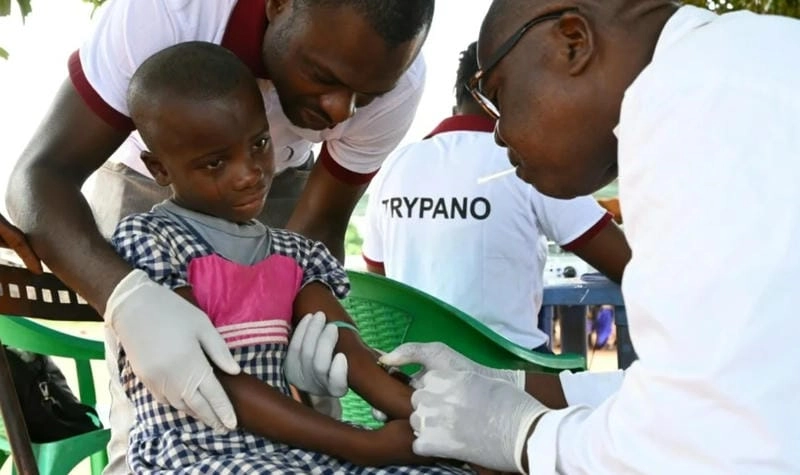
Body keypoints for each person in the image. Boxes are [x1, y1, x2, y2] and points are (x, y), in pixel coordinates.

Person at [4, 0, 432, 472]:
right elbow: (41, 176)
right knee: (143, 406)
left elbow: (320, 245)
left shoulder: (392, 74)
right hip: (144, 178)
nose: (340, 111)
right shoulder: (165, 13)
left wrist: (430, 414)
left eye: (365, 94)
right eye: (324, 76)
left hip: (285, 175)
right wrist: (127, 297)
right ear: (280, 6)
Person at [378, 1, 800, 473]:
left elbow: (710, 443)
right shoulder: (730, 72)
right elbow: (700, 388)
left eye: (498, 94)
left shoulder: (695, 108)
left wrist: (521, 435)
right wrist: (507, 386)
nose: (498, 135)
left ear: (572, 43)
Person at [110, 41, 472, 474]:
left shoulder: (293, 254)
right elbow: (209, 378)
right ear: (160, 169)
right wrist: (362, 443)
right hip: (195, 451)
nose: (249, 173)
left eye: (259, 143)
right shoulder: (151, 241)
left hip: (286, 448)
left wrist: (441, 424)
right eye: (214, 163)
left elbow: (346, 346)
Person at [361, 41, 630, 352]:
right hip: (508, 370)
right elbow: (627, 264)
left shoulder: (397, 163)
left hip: (411, 376)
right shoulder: (530, 160)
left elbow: (381, 283)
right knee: (600, 364)